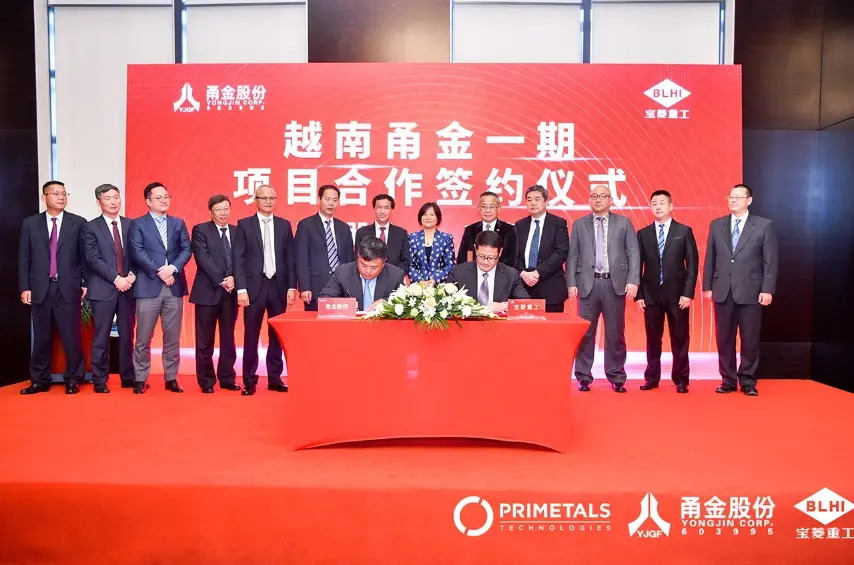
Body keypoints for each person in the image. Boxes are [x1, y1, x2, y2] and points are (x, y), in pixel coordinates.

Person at [702, 183, 778, 396]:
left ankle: (747, 381)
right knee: (724, 338)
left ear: (749, 200)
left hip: (751, 291)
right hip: (722, 290)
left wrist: (767, 289)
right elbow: (710, 257)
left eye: (738, 197)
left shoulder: (764, 225)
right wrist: (707, 286)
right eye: (731, 197)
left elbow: (770, 261)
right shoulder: (717, 224)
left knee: (750, 339)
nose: (733, 200)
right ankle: (727, 379)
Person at [568, 184, 640, 393]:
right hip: (587, 285)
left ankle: (616, 376)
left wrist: (633, 280)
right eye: (594, 196)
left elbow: (633, 253)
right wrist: (571, 283)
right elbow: (572, 255)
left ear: (611, 200)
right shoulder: (580, 224)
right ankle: (583, 376)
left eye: (602, 196)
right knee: (585, 333)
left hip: (614, 284)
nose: (597, 199)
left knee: (615, 333)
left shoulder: (624, 223)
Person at [18, 180, 87, 395]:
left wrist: (84, 283)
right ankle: (39, 380)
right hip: (40, 288)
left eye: (64, 193)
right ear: (44, 197)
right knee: (42, 337)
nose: (61, 197)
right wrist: (24, 287)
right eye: (55, 193)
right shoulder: (30, 223)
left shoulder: (78, 223)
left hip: (68, 288)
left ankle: (73, 379)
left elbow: (84, 257)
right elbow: (24, 258)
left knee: (71, 336)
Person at [128, 182, 192, 395]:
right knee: (143, 337)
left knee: (172, 337)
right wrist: (160, 271)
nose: (164, 200)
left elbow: (186, 249)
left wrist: (172, 269)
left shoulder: (178, 223)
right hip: (148, 286)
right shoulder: (138, 224)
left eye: (166, 197)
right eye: (159, 198)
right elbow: (137, 251)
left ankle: (171, 377)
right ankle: (140, 378)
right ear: (148, 201)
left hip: (174, 286)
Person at [234, 184, 296, 396]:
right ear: (256, 200)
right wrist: (241, 289)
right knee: (251, 335)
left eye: (272, 198)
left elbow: (290, 258)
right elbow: (239, 259)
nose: (268, 202)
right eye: (264, 198)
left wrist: (291, 286)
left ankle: (275, 379)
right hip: (253, 288)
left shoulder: (284, 225)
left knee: (277, 335)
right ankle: (249, 381)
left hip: (278, 286)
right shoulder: (244, 225)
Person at [635, 190, 699, 394]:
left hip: (678, 295)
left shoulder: (684, 231)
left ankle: (681, 379)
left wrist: (688, 293)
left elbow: (692, 265)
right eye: (654, 203)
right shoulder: (643, 234)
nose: (658, 206)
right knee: (653, 339)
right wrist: (639, 294)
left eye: (662, 203)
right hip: (651, 294)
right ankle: (652, 377)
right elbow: (637, 266)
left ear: (671, 206)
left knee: (680, 338)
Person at [81, 183, 136, 393]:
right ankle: (100, 380)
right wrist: (116, 278)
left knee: (127, 335)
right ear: (99, 202)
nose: (113, 202)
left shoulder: (131, 225)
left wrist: (132, 276)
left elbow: (139, 254)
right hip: (103, 289)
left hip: (128, 288)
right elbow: (92, 259)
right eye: (107, 198)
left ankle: (128, 377)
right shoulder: (90, 228)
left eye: (116, 197)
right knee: (101, 336)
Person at [189, 194, 241, 393]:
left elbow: (243, 259)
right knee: (204, 340)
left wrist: (234, 278)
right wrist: (223, 279)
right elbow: (203, 259)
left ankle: (227, 377)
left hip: (231, 293)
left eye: (226, 209)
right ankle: (206, 381)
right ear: (210, 212)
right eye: (218, 210)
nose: (223, 213)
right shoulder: (200, 230)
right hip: (207, 292)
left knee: (228, 338)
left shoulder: (238, 231)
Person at [295, 185, 355, 311]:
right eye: (327, 199)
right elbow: (301, 258)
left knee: (341, 322)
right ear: (319, 200)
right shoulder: (306, 225)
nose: (331, 203)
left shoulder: (344, 228)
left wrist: (351, 286)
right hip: (315, 287)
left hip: (341, 287)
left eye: (334, 200)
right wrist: (305, 287)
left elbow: (349, 259)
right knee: (315, 322)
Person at [514, 185, 569, 312]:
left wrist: (537, 273)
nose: (533, 203)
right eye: (529, 199)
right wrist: (523, 273)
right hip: (523, 287)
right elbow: (513, 253)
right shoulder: (519, 225)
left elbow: (561, 252)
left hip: (550, 288)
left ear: (546, 202)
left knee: (552, 324)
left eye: (537, 199)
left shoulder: (558, 223)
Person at [447, 231, 529, 312]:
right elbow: (445, 300)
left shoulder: (511, 275)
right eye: (481, 256)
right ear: (475, 249)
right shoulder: (459, 272)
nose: (485, 262)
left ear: (500, 252)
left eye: (491, 258)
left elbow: (526, 303)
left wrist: (505, 306)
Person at [319, 236, 406, 311]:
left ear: (384, 263)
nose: (368, 271)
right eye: (363, 265)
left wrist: (386, 303)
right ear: (358, 256)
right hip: (351, 324)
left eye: (374, 267)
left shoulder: (396, 275)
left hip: (381, 324)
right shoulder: (343, 272)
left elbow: (405, 303)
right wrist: (346, 304)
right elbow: (323, 299)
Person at [456, 191, 518, 267]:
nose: (487, 210)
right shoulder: (470, 230)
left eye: (491, 207)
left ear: (498, 209)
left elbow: (511, 258)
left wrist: (494, 271)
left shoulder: (509, 230)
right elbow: (462, 258)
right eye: (484, 206)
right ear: (478, 208)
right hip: (474, 273)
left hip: (501, 273)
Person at [354, 194, 410, 273]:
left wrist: (394, 276)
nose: (382, 211)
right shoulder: (362, 232)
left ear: (392, 210)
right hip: (368, 276)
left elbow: (405, 262)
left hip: (394, 277)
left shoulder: (401, 233)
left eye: (386, 208)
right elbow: (357, 259)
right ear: (374, 209)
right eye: (379, 207)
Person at [408, 202, 455, 284]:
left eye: (432, 214)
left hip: (439, 286)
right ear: (420, 217)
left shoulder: (446, 238)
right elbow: (409, 264)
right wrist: (420, 281)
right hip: (417, 286)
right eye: (425, 214)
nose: (428, 217)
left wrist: (435, 279)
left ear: (438, 217)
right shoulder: (412, 238)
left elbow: (450, 265)